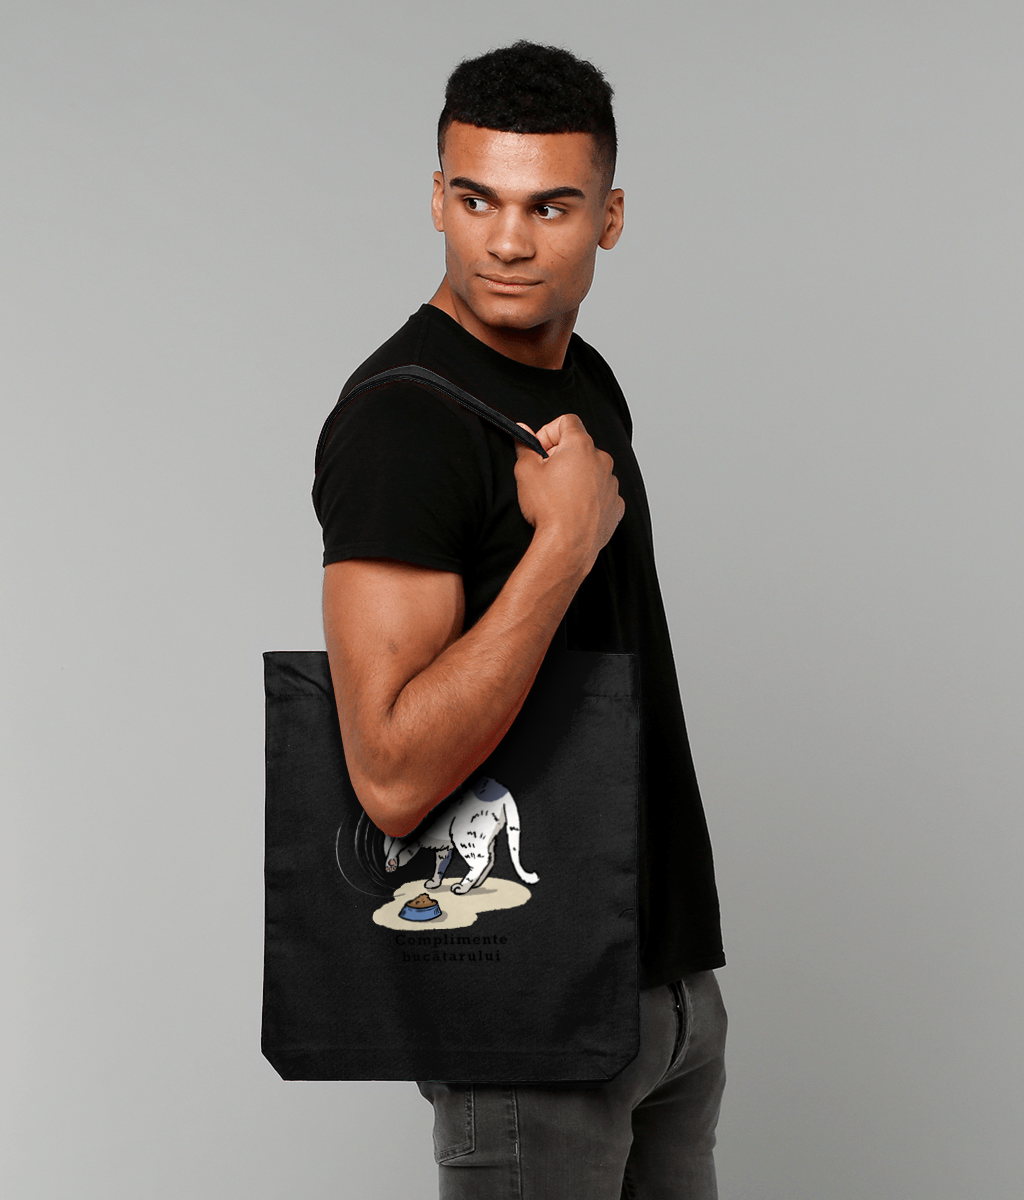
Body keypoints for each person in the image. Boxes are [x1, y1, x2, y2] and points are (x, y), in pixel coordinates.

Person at [313, 40, 727, 1200]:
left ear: (610, 216)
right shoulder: (401, 426)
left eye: (549, 205)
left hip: (667, 992)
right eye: (475, 199)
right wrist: (560, 547)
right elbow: (389, 775)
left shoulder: (582, 378)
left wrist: (684, 995)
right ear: (434, 198)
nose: (505, 241)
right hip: (533, 1014)